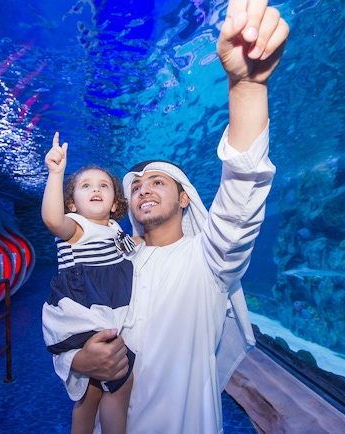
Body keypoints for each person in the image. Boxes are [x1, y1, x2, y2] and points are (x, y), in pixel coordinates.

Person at [54, 0, 289, 431]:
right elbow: (69, 311)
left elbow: (242, 191)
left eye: (158, 182)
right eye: (137, 185)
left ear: (185, 199)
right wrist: (79, 358)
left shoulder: (210, 260)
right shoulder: (114, 259)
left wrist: (247, 88)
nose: (143, 188)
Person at [41, 132, 138, 434]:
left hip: (102, 309)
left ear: (113, 203)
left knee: (92, 392)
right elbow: (52, 220)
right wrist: (56, 174)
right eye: (86, 186)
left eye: (103, 186)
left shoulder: (114, 230)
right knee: (122, 379)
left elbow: (136, 251)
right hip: (83, 309)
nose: (95, 189)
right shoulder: (75, 228)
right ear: (72, 203)